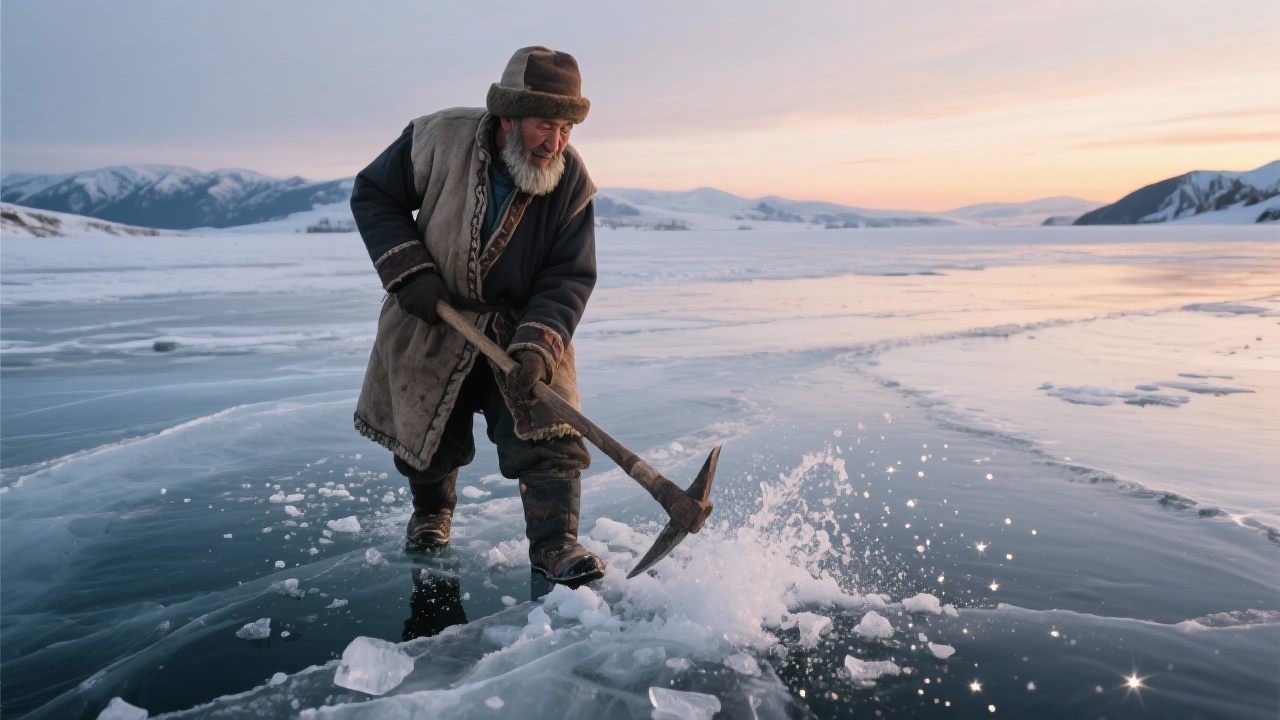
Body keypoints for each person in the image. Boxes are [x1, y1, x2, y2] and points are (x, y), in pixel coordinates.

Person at [349, 47, 604, 587]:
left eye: (565, 129)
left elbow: (569, 275)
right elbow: (373, 193)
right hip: (432, 314)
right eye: (544, 126)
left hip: (520, 325)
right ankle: (431, 514)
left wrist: (538, 345)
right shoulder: (439, 138)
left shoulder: (571, 179)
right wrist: (411, 272)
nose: (555, 143)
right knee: (428, 430)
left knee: (549, 429)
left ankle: (556, 544)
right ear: (508, 117)